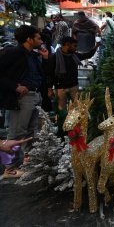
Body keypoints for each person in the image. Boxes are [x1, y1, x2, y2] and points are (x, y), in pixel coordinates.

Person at [0, 25, 49, 177]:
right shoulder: (12, 53)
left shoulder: (33, 55)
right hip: (21, 99)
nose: (40, 41)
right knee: (16, 132)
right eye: (38, 38)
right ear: (29, 39)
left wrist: (46, 59)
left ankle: (28, 161)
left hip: (35, 96)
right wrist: (15, 87)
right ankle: (10, 169)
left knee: (31, 131)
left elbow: (41, 75)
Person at [47, 36, 99, 136]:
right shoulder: (54, 57)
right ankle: (62, 130)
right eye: (74, 46)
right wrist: (49, 89)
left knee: (76, 108)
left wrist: (95, 47)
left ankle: (75, 129)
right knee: (61, 110)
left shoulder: (73, 55)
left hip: (73, 86)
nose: (76, 48)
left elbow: (87, 55)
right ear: (67, 45)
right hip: (60, 88)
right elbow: (49, 74)